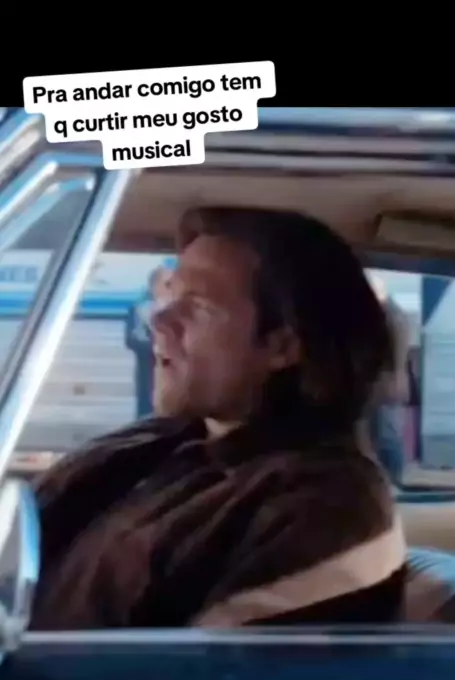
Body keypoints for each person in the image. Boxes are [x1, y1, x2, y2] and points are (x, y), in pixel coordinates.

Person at [31, 207, 407, 631]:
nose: (158, 320)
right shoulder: (156, 442)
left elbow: (212, 669)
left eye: (198, 306)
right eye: (169, 295)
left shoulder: (326, 502)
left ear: (282, 346)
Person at [367, 275, 411, 486]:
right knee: (385, 436)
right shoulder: (392, 313)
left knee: (387, 438)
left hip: (386, 385)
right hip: (386, 384)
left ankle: (393, 483)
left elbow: (396, 354)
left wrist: (396, 375)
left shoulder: (390, 315)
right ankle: (391, 483)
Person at [125, 266, 169, 418]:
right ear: (154, 285)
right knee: (146, 411)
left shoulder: (176, 309)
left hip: (171, 374)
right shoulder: (138, 309)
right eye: (166, 284)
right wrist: (156, 347)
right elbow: (131, 340)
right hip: (147, 370)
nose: (170, 288)